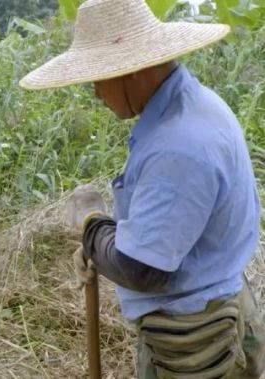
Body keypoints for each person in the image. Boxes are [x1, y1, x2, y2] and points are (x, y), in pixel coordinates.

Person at [20, 0, 265, 377]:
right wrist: (103, 245)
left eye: (98, 79)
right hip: (211, 308)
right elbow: (166, 228)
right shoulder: (189, 107)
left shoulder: (179, 143)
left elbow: (143, 268)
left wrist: (92, 227)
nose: (97, 94)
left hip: (196, 337)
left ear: (131, 72)